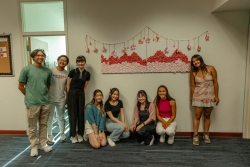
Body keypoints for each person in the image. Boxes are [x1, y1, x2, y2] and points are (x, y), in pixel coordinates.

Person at [18, 49, 53, 157]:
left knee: (43, 124)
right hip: (32, 103)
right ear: (33, 56)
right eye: (38, 55)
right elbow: (20, 86)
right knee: (32, 126)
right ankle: (34, 146)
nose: (41, 57)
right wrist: (29, 96)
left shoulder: (48, 71)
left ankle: (43, 143)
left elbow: (47, 86)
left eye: (43, 55)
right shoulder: (26, 70)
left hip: (45, 102)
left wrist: (42, 95)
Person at [190, 54, 219, 146]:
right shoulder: (193, 72)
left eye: (197, 60)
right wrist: (192, 97)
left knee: (207, 115)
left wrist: (217, 96)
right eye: (193, 61)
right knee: (197, 116)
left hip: (210, 96)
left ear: (201, 60)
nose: (195, 62)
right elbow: (192, 86)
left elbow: (215, 83)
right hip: (198, 97)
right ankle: (195, 135)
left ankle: (206, 134)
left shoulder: (211, 68)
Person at [67, 55, 90, 143]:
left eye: (82, 61)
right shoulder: (72, 72)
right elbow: (68, 84)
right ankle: (73, 135)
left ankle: (80, 134)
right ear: (77, 63)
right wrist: (68, 95)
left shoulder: (87, 74)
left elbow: (85, 86)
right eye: (79, 61)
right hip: (72, 93)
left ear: (85, 62)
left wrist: (81, 93)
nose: (80, 63)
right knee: (73, 115)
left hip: (81, 93)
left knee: (81, 114)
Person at [47, 55, 69, 144]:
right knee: (50, 118)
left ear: (66, 63)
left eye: (64, 61)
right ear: (58, 60)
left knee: (61, 117)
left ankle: (62, 134)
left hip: (61, 98)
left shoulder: (67, 73)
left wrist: (67, 97)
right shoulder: (50, 71)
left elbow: (67, 87)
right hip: (50, 98)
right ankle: (50, 136)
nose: (62, 62)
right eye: (61, 60)